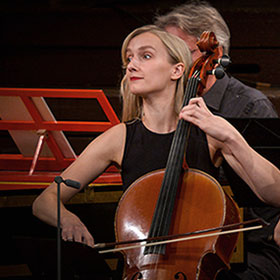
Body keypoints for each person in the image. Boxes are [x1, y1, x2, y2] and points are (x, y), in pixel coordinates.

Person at [32, 25, 280, 279]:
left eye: (145, 56)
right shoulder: (119, 137)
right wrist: (69, 220)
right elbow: (45, 201)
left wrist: (231, 137)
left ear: (177, 70)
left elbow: (275, 192)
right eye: (129, 58)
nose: (131, 65)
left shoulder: (208, 133)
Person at [154, 1, 280, 279]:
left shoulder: (249, 107)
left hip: (247, 248)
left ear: (215, 54)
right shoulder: (165, 103)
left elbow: (269, 199)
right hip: (179, 242)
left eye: (178, 53)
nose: (169, 63)